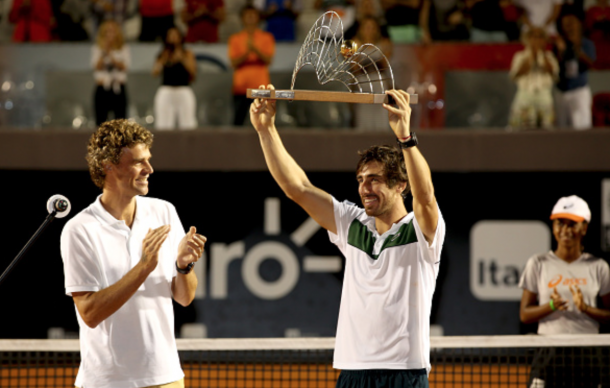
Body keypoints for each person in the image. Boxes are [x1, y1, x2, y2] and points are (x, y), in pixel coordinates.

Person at [250, 85, 446, 386]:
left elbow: (426, 198)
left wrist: (406, 139)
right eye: (361, 180)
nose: (365, 188)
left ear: (399, 186)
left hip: (404, 371)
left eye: (375, 180)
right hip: (353, 370)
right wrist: (266, 130)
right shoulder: (352, 224)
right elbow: (298, 189)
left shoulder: (421, 231)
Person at [60, 119, 206, 388]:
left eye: (148, 160)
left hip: (166, 377)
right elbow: (89, 313)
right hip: (107, 382)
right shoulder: (79, 230)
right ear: (108, 166)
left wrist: (184, 266)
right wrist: (143, 268)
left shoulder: (164, 212)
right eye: (139, 162)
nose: (149, 169)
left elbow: (185, 298)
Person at [519, 195, 610, 388]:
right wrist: (551, 306)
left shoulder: (598, 267)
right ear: (553, 227)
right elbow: (525, 315)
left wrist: (586, 308)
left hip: (588, 354)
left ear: (584, 228)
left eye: (572, 224)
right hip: (548, 351)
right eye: (561, 223)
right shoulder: (538, 263)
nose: (566, 230)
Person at [228, 6, 275, 126]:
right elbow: (233, 63)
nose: (250, 18)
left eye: (253, 15)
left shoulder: (266, 37)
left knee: (263, 123)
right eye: (247, 15)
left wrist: (255, 49)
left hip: (261, 88)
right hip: (241, 88)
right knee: (238, 122)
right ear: (242, 19)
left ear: (258, 18)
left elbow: (268, 60)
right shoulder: (235, 38)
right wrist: (247, 53)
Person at [508, 27, 559, 129]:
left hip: (544, 96)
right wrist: (532, 55)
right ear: (527, 39)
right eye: (533, 37)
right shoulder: (519, 56)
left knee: (547, 130)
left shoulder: (549, 56)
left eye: (540, 37)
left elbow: (552, 72)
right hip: (525, 96)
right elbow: (517, 74)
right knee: (519, 130)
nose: (536, 40)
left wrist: (541, 55)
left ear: (545, 40)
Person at [553, 14, 596, 130]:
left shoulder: (586, 43)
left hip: (579, 89)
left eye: (571, 23)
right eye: (565, 24)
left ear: (578, 24)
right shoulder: (558, 43)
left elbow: (590, 64)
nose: (568, 27)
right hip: (561, 90)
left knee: (582, 127)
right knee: (561, 127)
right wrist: (560, 51)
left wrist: (577, 48)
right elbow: (553, 67)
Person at [152, 27, 198, 130]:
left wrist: (181, 58)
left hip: (183, 89)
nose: (173, 38)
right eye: (170, 35)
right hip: (166, 90)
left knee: (188, 123)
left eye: (175, 35)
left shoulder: (187, 53)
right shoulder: (163, 53)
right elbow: (155, 72)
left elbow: (193, 72)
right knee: (163, 123)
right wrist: (164, 59)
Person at [92, 20, 130, 126]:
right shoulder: (97, 48)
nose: (110, 35)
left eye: (112, 31)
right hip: (102, 87)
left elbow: (124, 66)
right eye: (107, 32)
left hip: (118, 88)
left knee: (121, 123)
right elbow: (96, 66)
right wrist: (105, 51)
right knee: (101, 123)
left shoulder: (123, 48)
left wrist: (112, 56)